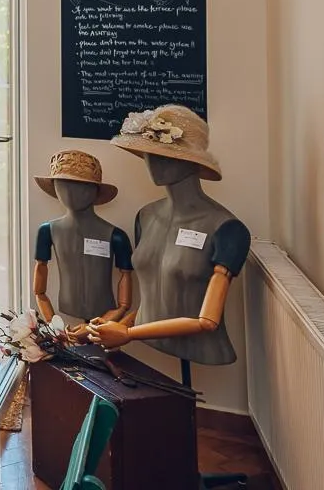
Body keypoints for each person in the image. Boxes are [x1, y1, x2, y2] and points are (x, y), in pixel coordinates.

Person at [87, 105, 250, 369]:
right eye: (149, 153)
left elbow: (207, 321)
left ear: (192, 161)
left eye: (166, 154)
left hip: (201, 349)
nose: (153, 161)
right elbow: (153, 296)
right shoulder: (145, 216)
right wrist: (117, 325)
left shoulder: (227, 229)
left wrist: (128, 334)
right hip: (149, 337)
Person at [32, 149, 132, 337]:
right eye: (63, 184)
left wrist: (96, 326)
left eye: (82, 186)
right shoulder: (47, 231)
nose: (71, 192)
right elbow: (39, 291)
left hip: (104, 314)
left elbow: (124, 304)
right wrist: (54, 325)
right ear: (54, 187)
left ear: (96, 191)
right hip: (65, 314)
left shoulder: (116, 236)